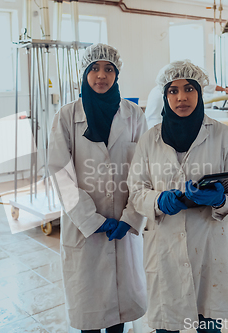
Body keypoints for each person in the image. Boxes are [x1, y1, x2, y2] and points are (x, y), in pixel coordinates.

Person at [127, 60, 228, 333]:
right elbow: (136, 190)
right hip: (165, 245)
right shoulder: (149, 139)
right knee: (167, 325)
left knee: (209, 324)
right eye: (173, 90)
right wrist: (157, 201)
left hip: (210, 244)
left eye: (189, 88)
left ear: (200, 92)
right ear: (164, 95)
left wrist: (221, 201)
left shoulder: (224, 136)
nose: (181, 97)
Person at [48, 43, 148, 333]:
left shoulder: (134, 115)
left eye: (108, 69)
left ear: (117, 74)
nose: (101, 75)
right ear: (84, 72)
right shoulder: (67, 116)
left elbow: (145, 170)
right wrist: (90, 219)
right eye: (94, 68)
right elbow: (59, 172)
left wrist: (132, 217)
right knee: (90, 311)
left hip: (123, 224)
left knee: (120, 309)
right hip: (84, 231)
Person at [145, 80, 228, 128]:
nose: (182, 98)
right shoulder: (163, 92)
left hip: (150, 126)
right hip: (160, 127)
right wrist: (224, 89)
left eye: (188, 90)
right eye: (173, 91)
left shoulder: (156, 89)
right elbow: (205, 85)